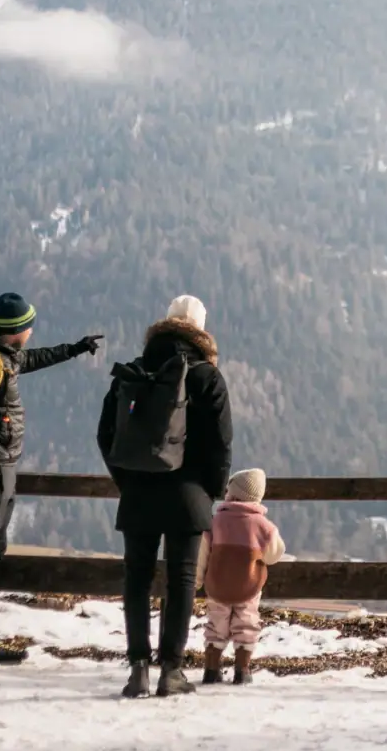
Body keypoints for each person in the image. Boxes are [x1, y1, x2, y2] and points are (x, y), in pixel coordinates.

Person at [0, 292, 103, 673]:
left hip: (3, 467)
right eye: (29, 325)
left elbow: (35, 358)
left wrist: (75, 349)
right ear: (18, 330)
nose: (32, 331)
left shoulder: (3, 356)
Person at [97, 294, 233, 698]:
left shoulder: (134, 371)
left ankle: (137, 667)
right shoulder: (207, 376)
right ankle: (170, 670)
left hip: (138, 492)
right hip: (188, 495)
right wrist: (212, 490)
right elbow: (221, 443)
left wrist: (127, 480)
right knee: (182, 581)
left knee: (136, 579)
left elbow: (106, 435)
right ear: (201, 330)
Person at [197, 468, 286, 686]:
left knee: (216, 625)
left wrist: (197, 580)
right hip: (248, 587)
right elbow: (275, 554)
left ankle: (211, 669)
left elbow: (202, 553)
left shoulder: (215, 522)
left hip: (217, 586)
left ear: (233, 494)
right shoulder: (264, 527)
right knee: (246, 624)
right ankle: (242, 670)